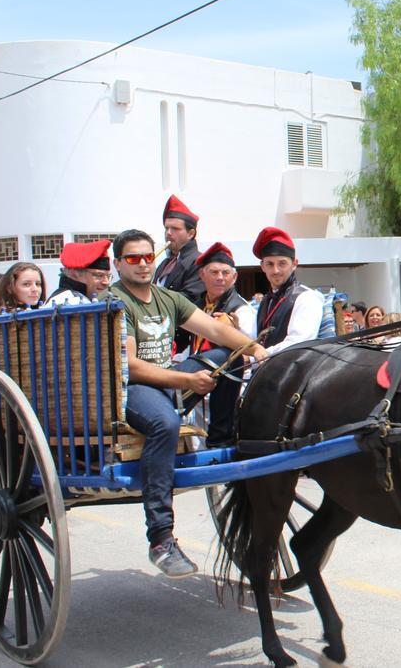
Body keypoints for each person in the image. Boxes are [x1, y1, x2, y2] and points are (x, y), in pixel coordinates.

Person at [110, 229, 268, 577]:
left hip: (168, 381)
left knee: (230, 356)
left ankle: (221, 437)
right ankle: (161, 538)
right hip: (131, 388)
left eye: (148, 257)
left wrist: (254, 348)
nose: (142, 265)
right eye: (133, 258)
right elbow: (131, 367)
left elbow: (215, 331)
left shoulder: (167, 297)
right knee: (164, 424)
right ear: (118, 263)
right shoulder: (115, 302)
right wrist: (186, 380)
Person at [253, 227, 325, 355]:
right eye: (270, 264)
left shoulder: (307, 297)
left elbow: (297, 343)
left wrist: (254, 358)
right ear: (262, 266)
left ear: (294, 264)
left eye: (282, 263)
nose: (276, 270)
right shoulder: (266, 300)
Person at [190, 242, 257, 353]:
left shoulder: (242, 311)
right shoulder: (198, 305)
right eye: (214, 272)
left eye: (225, 273)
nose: (220, 278)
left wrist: (236, 331)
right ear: (202, 275)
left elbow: (251, 352)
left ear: (234, 277)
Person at [153, 195, 205, 300]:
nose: (168, 233)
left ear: (190, 233)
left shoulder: (199, 262)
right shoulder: (164, 264)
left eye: (175, 229)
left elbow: (190, 298)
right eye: (166, 228)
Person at [47, 239, 112, 304]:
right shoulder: (69, 301)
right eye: (99, 275)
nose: (106, 282)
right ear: (75, 273)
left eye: (109, 276)